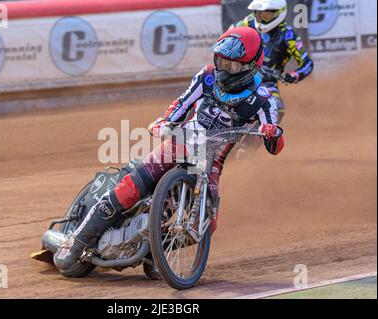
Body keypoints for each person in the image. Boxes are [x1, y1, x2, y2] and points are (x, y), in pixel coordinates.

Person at [54, 26, 285, 274]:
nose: (223, 68)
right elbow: (181, 102)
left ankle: (157, 252)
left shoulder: (264, 99)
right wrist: (165, 121)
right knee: (129, 188)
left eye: (232, 65)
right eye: (220, 60)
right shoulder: (207, 76)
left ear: (250, 66)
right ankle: (74, 243)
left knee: (206, 223)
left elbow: (274, 143)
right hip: (181, 141)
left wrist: (273, 134)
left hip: (212, 160)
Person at [232, 0, 313, 123]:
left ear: (278, 13)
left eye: (266, 15)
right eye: (259, 14)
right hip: (238, 74)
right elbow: (227, 37)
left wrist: (292, 76)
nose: (261, 18)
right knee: (207, 91)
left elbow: (307, 63)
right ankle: (195, 136)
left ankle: (251, 142)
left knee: (277, 108)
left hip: (267, 83)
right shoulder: (247, 22)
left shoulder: (287, 35)